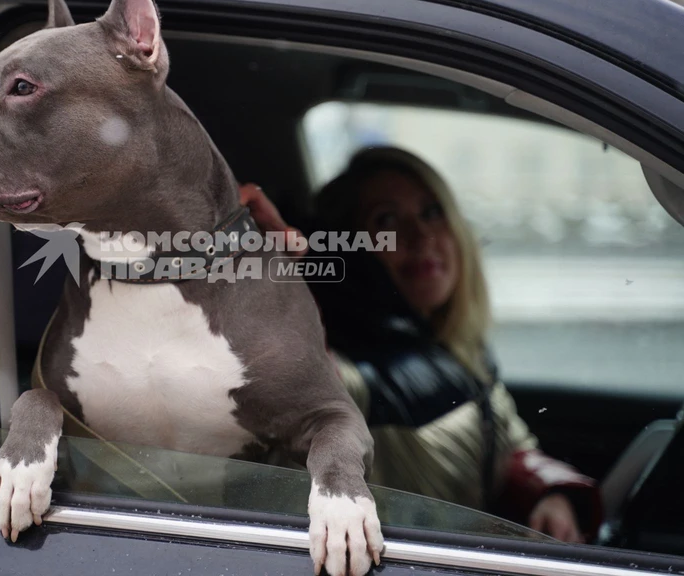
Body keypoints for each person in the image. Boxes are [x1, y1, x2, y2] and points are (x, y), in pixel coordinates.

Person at [239, 146, 602, 543]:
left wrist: (549, 494)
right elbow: (300, 373)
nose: (421, 235)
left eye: (432, 212)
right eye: (387, 220)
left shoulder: (457, 348)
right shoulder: (342, 368)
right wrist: (282, 281)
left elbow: (505, 446)